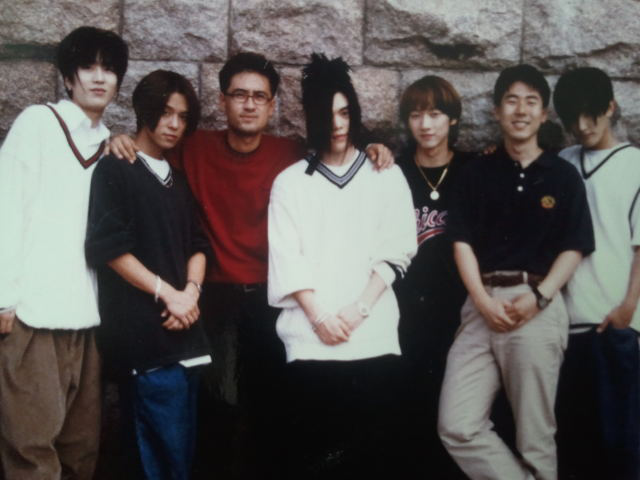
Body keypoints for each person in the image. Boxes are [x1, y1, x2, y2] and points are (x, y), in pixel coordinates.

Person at [108, 51, 393, 479]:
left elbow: (339, 150)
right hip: (214, 299)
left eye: (259, 96)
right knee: (218, 409)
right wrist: (119, 140)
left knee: (273, 410)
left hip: (273, 299)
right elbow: (151, 149)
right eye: (239, 94)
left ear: (273, 105)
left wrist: (373, 147)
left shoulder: (292, 154)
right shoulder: (193, 147)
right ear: (222, 101)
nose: (249, 104)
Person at [438, 64, 594, 480]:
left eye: (531, 102)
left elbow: (575, 246)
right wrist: (482, 300)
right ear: (496, 111)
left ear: (544, 114)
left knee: (535, 436)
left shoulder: (563, 177)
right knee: (457, 424)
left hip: (536, 306)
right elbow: (461, 242)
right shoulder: (476, 174)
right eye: (511, 100)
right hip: (481, 306)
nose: (520, 110)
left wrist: (540, 297)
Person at [267, 53, 417, 479]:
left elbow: (398, 250)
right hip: (310, 342)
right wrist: (320, 319)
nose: (337, 124)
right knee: (316, 458)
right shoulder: (289, 183)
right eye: (327, 114)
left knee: (370, 459)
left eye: (345, 112)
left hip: (372, 337)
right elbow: (287, 258)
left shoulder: (384, 173)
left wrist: (359, 310)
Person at [0, 26, 128, 479]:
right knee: (31, 449)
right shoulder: (38, 123)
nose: (99, 77)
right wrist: (3, 298)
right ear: (68, 77)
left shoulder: (110, 143)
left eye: (109, 69)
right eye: (88, 67)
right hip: (32, 315)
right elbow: (7, 206)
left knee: (81, 451)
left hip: (86, 318)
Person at [85, 70, 212, 480]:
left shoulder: (178, 179)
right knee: (155, 461)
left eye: (183, 117)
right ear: (144, 110)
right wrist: (167, 295)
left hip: (186, 337)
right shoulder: (116, 168)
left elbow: (199, 245)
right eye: (166, 112)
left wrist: (189, 294)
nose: (174, 124)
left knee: (180, 461)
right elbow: (109, 248)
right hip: (145, 343)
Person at [553, 66, 640, 480]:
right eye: (573, 117)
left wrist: (628, 309)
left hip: (615, 327)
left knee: (621, 448)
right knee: (574, 449)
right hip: (566, 330)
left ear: (611, 107)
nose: (583, 126)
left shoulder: (634, 165)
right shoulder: (563, 162)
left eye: (591, 114)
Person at [393, 75, 471, 478]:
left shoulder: (474, 170)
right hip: (404, 312)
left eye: (436, 113)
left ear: (452, 119)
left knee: (456, 413)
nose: (425, 124)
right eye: (416, 115)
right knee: (408, 414)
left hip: (459, 313)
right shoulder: (393, 171)